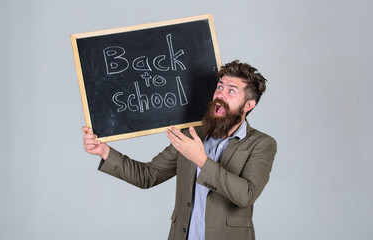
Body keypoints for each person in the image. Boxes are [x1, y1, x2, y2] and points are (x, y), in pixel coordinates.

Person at [82, 60, 277, 240]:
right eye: (219, 87)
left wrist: (201, 160)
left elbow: (246, 195)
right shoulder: (192, 134)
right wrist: (104, 151)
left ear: (248, 105)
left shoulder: (261, 144)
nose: (220, 94)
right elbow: (147, 175)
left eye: (231, 91)